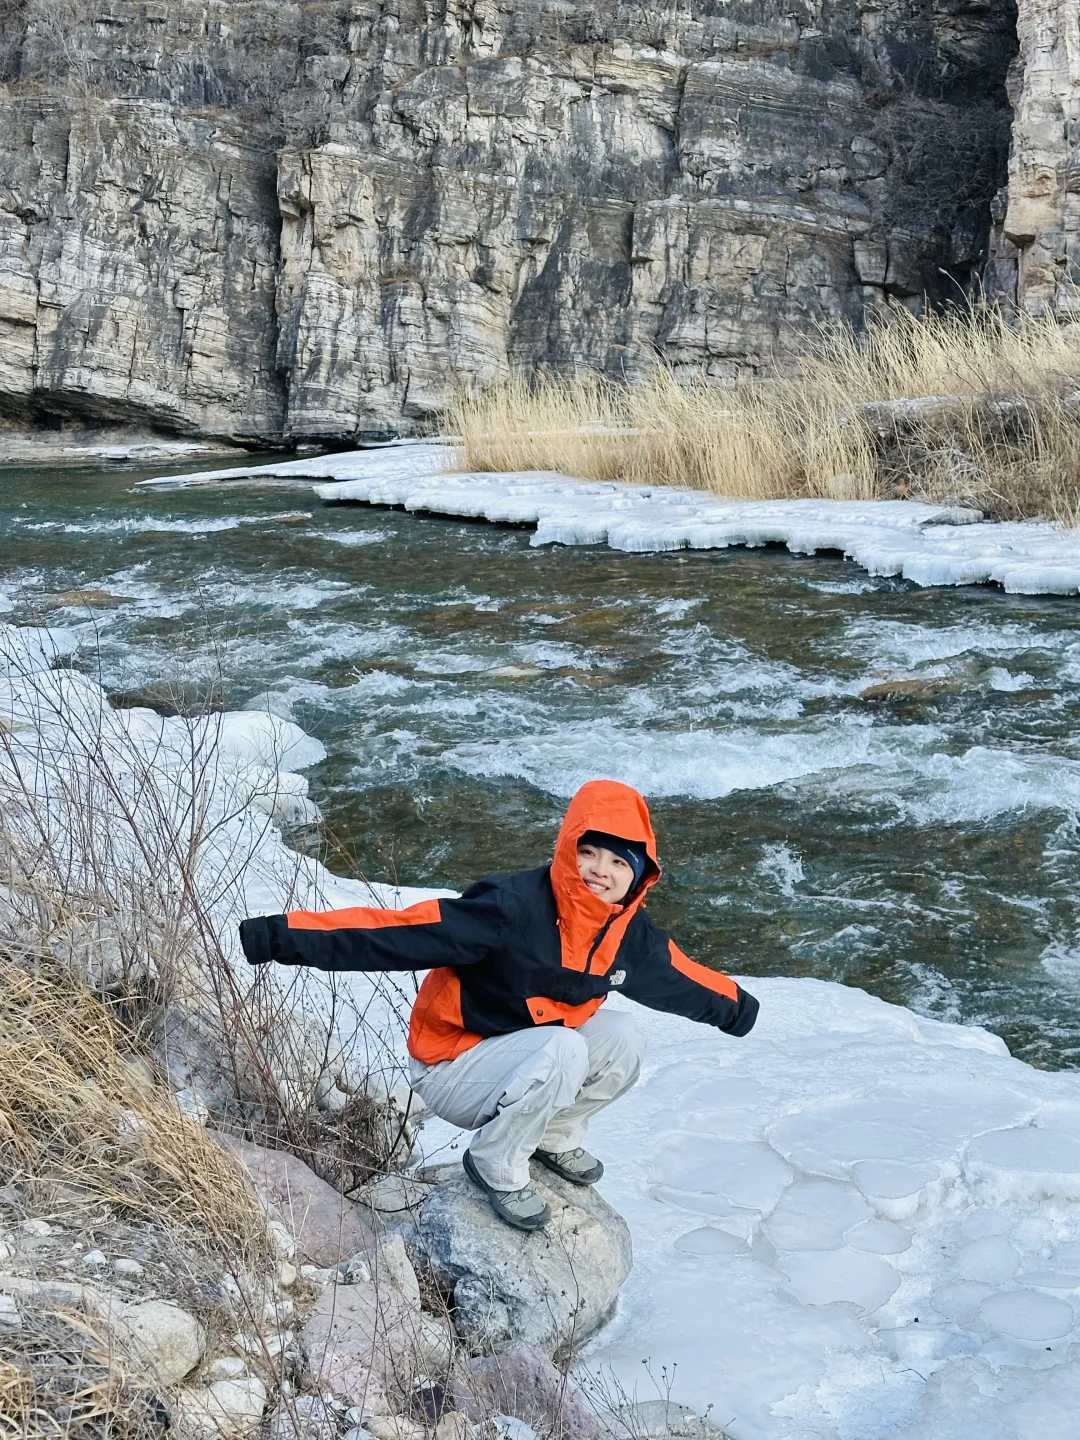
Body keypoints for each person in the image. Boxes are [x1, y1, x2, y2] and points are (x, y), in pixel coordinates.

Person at [239, 779, 759, 1231]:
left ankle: (551, 1136)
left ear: (640, 875)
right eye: (590, 852)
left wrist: (740, 1010)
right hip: (452, 1064)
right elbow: (394, 934)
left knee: (624, 1036)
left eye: (620, 861)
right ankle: (497, 1164)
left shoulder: (628, 936)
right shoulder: (511, 909)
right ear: (568, 848)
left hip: (530, 1059)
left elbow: (685, 979)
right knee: (562, 1047)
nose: (601, 870)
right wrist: (278, 937)